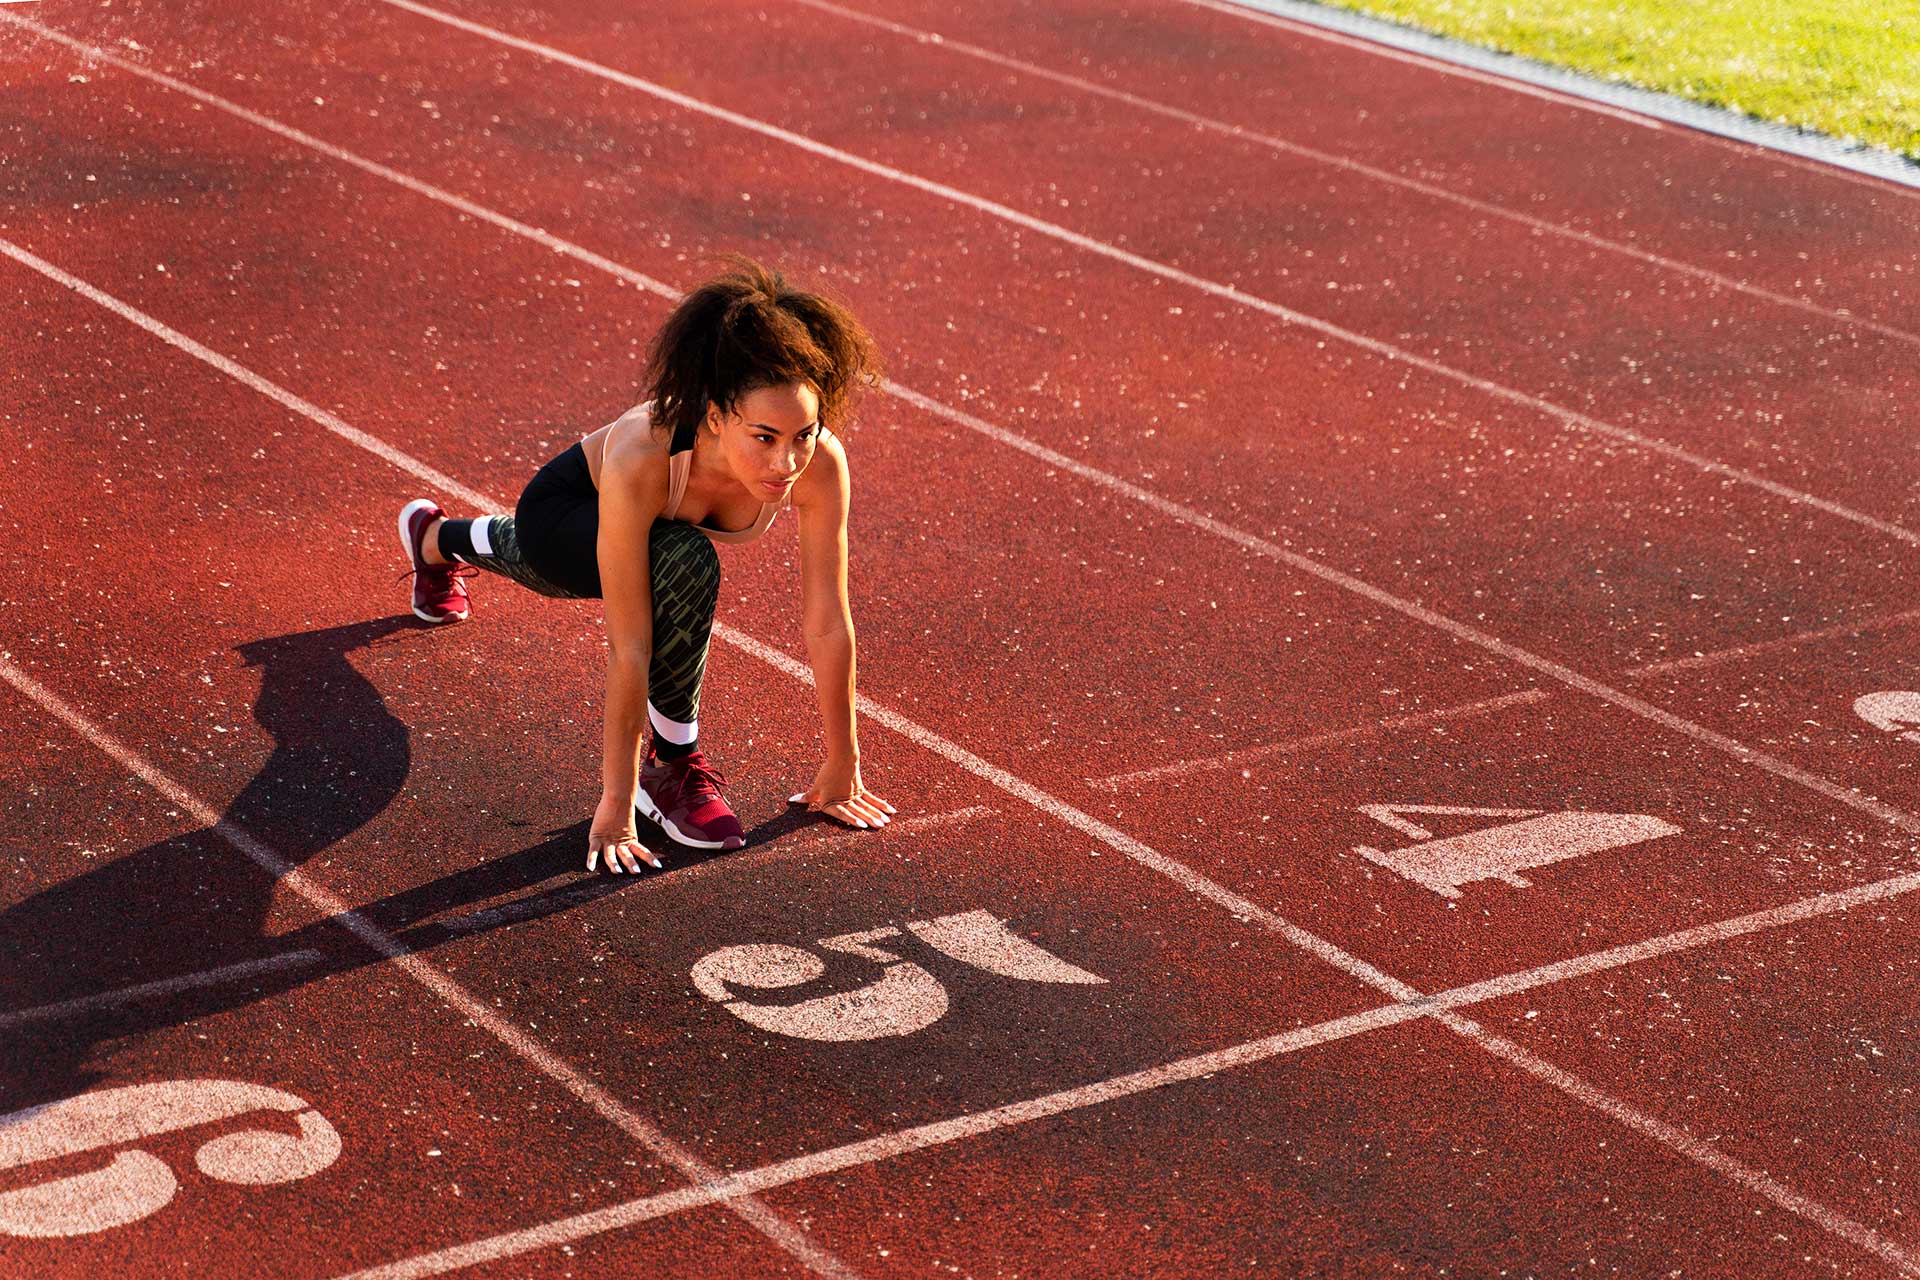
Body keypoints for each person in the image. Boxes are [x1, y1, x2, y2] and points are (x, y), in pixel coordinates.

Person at [394, 258, 896, 873]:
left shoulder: (820, 464)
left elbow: (827, 620)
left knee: (673, 554)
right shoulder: (645, 451)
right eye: (764, 437)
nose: (786, 460)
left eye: (804, 434)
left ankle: (435, 540)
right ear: (716, 417)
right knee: (678, 559)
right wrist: (614, 802)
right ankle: (670, 767)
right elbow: (628, 643)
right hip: (566, 511)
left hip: (652, 528)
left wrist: (843, 762)